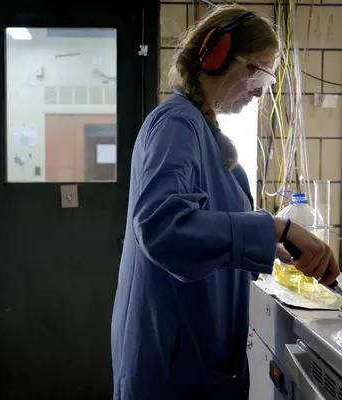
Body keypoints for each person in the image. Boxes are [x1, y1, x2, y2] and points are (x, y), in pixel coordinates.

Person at [111, 4, 340, 400]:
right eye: (261, 71)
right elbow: (165, 228)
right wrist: (276, 227)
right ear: (217, 58)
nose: (260, 89)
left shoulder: (202, 132)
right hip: (172, 358)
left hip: (193, 351)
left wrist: (272, 246)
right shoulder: (176, 125)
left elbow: (209, 221)